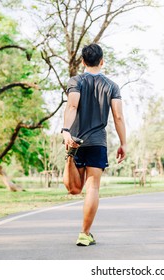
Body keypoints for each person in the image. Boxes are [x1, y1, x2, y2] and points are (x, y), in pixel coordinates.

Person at [61, 43, 126, 246]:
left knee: (74, 190)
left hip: (77, 139)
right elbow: (118, 116)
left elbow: (72, 105)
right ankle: (84, 233)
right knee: (92, 189)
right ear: (102, 61)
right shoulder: (111, 86)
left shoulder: (75, 81)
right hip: (98, 142)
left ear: (82, 61)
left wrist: (65, 131)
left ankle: (69, 156)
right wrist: (124, 143)